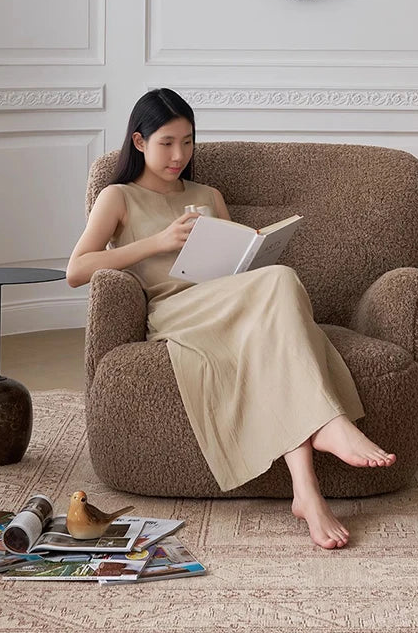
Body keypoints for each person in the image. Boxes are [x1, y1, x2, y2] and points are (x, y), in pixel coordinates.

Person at [66, 88, 396, 550]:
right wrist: (159, 242)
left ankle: (306, 491)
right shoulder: (118, 196)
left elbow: (239, 270)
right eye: (167, 143)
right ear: (139, 142)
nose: (179, 155)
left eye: (188, 142)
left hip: (229, 301)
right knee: (280, 281)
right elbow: (76, 270)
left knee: (273, 299)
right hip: (176, 311)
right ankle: (329, 422)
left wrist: (253, 247)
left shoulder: (208, 195)